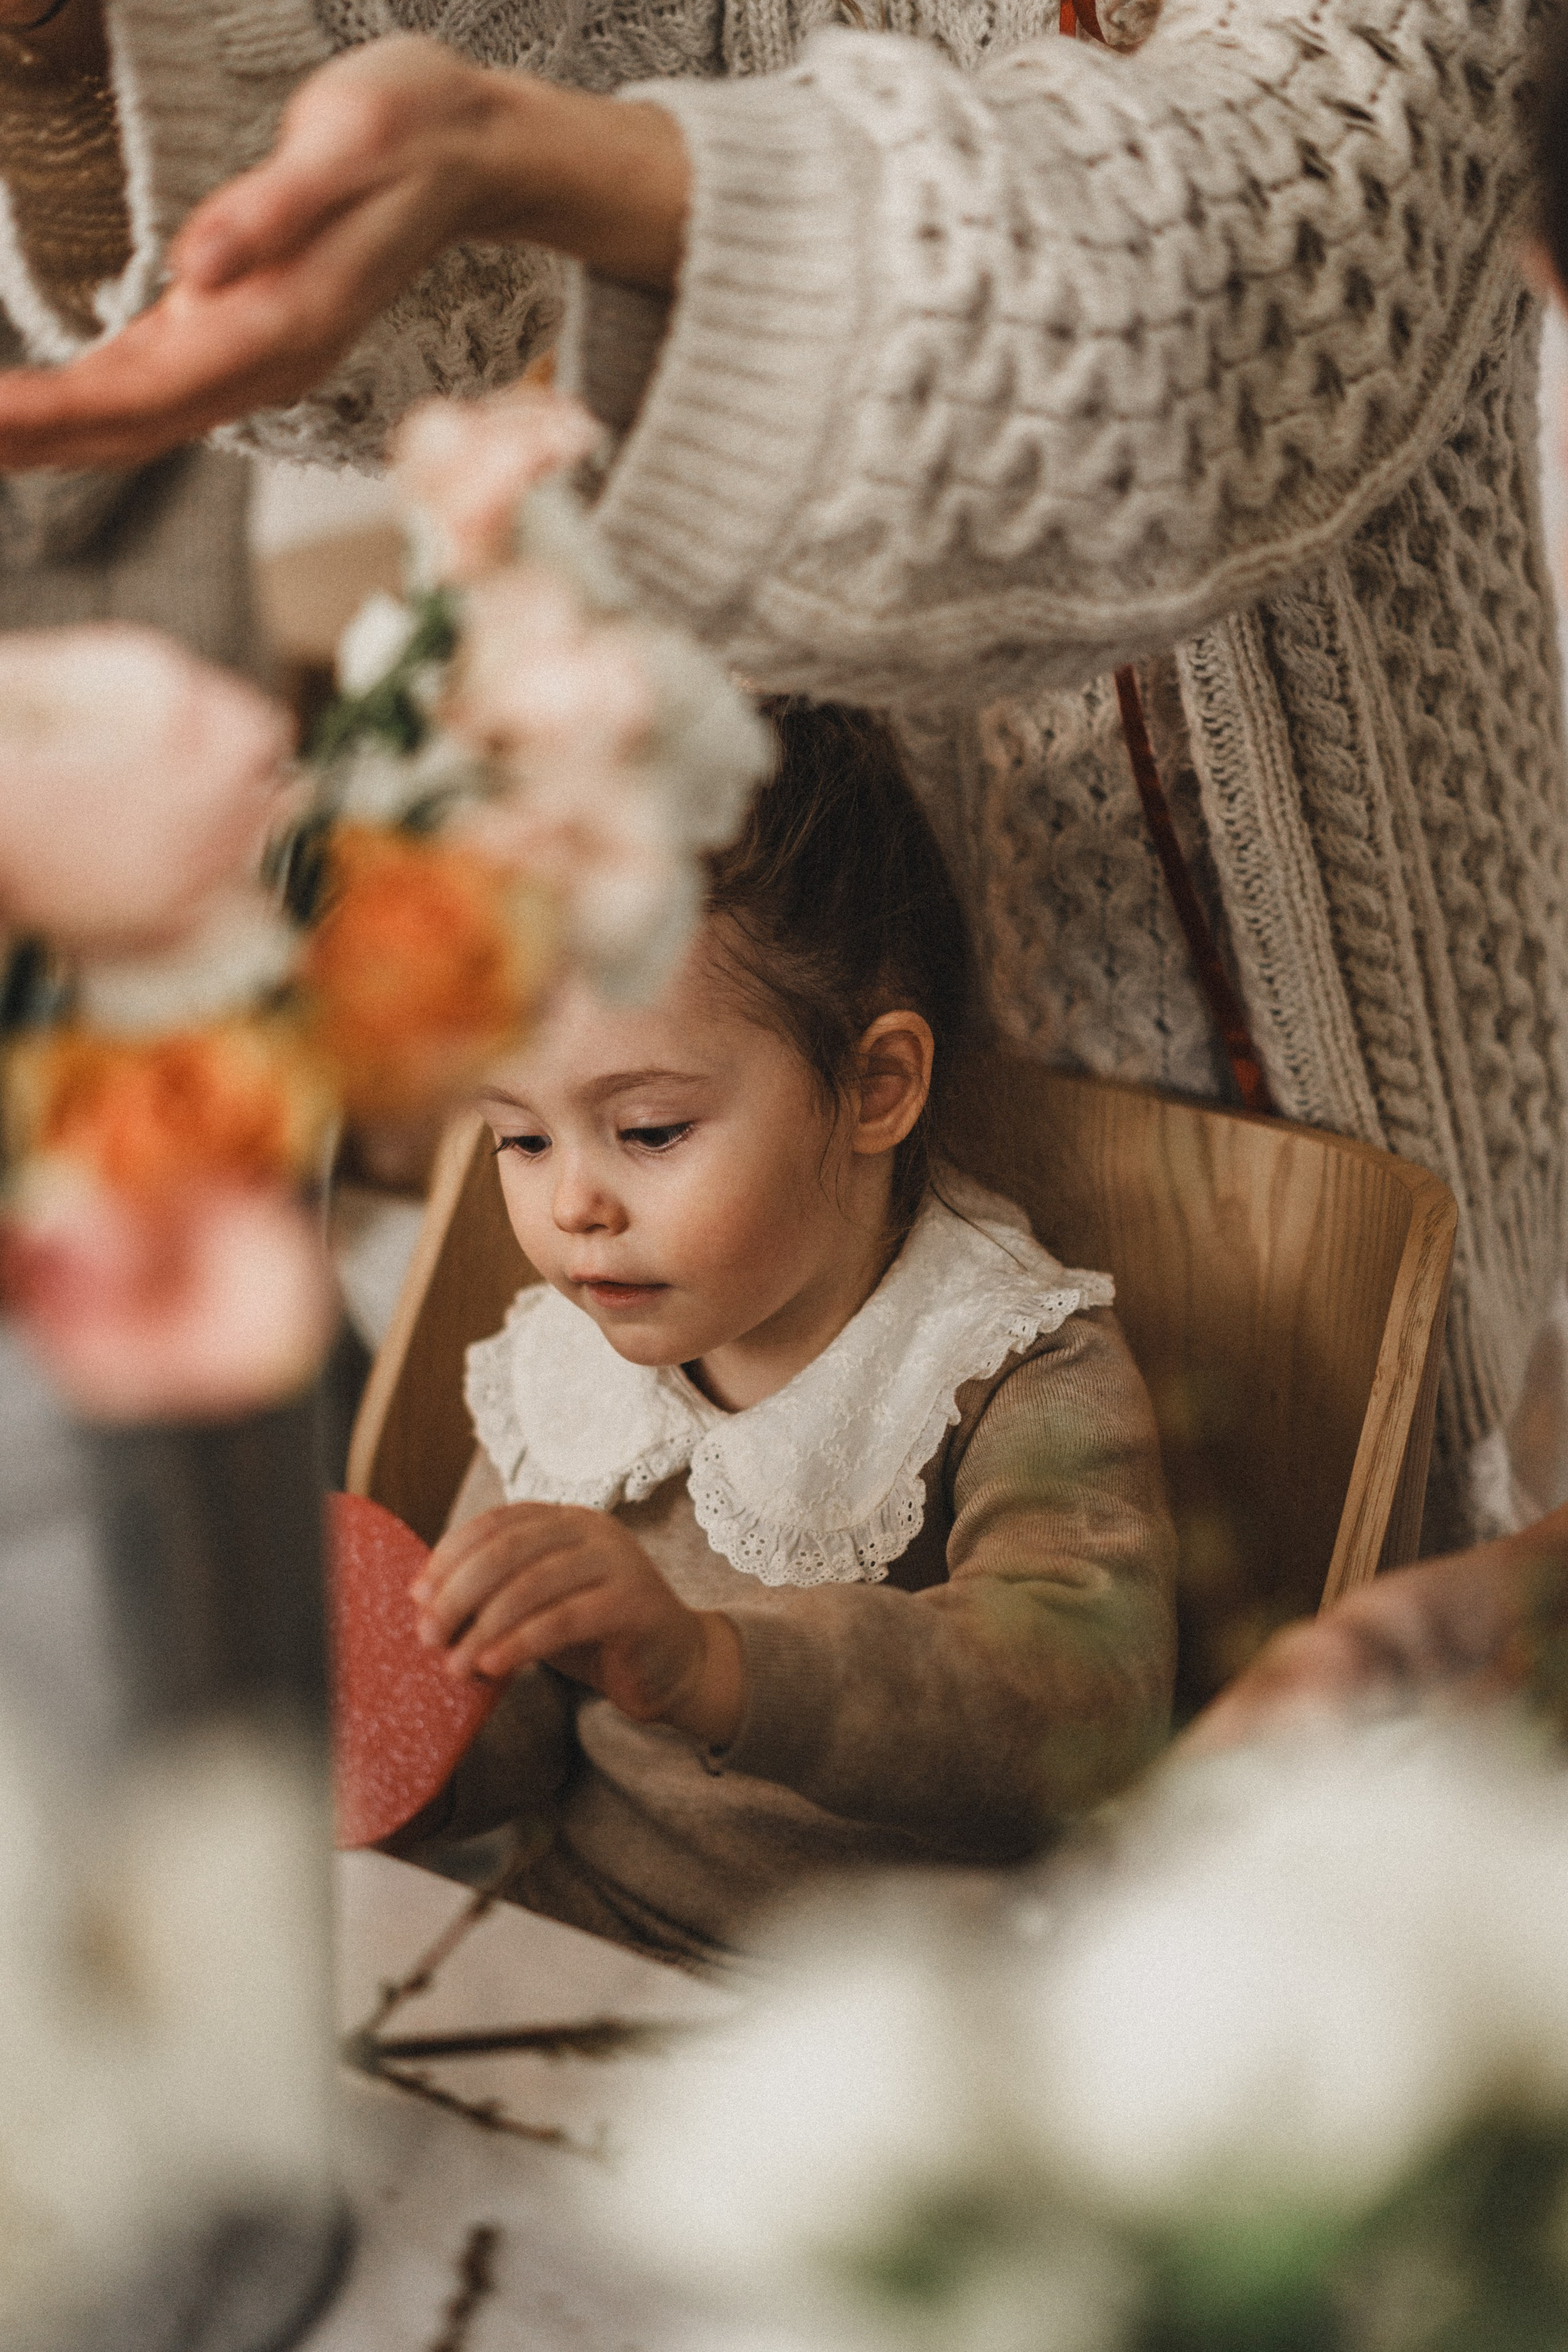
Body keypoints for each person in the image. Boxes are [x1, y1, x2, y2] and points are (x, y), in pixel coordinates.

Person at [0, 0, 1560, 1555]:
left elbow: (1237, 304)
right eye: (512, 1137)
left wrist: (558, 163)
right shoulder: (592, 1301)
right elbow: (463, 238)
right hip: (766, 1036)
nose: (559, 1197)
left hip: (1359, 1115)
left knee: (1342, 1656)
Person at [394, 705, 1177, 1963]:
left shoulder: (1009, 1358)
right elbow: (512, 1724)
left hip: (905, 2017)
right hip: (588, 1935)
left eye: (647, 1131)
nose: (570, 1203)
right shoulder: (568, 1353)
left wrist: (709, 1662)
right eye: (519, 1138)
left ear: (873, 1089)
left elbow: (1076, 1709)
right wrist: (383, 1749)